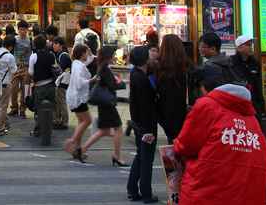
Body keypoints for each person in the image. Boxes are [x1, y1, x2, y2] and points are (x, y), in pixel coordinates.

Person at [173, 70, 266, 205]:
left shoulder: (206, 105)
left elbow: (185, 146)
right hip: (248, 192)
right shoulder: (250, 116)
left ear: (203, 87)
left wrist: (176, 144)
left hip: (209, 192)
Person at [79, 46, 125, 165]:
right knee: (118, 129)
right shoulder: (105, 69)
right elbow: (112, 85)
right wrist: (121, 83)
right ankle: (117, 156)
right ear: (108, 56)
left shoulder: (102, 68)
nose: (115, 57)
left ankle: (82, 150)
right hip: (108, 104)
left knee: (103, 131)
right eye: (113, 55)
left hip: (103, 103)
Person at [126, 46, 158, 202]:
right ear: (144, 59)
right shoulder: (142, 79)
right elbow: (145, 105)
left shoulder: (136, 74)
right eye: (150, 53)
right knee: (147, 159)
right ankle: (146, 192)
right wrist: (147, 130)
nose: (152, 55)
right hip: (146, 124)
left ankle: (132, 189)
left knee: (141, 156)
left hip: (139, 123)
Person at [154, 33, 190, 143]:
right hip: (185, 110)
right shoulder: (187, 66)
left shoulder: (160, 69)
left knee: (173, 141)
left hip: (166, 112)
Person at [65, 43, 92, 160]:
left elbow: (89, 60)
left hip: (74, 97)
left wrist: (89, 52)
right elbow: (79, 82)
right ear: (82, 54)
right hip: (78, 98)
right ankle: (72, 141)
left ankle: (78, 149)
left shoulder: (76, 63)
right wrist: (91, 80)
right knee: (87, 120)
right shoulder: (79, 66)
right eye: (86, 52)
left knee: (81, 122)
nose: (87, 54)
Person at [230, 34, 265, 121]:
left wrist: (261, 103)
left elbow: (258, 84)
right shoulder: (230, 63)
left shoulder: (255, 63)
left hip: (253, 104)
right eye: (248, 45)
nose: (251, 47)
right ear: (239, 48)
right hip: (237, 104)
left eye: (251, 45)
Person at [28, 34, 57, 137]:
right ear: (45, 44)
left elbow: (31, 72)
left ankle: (38, 130)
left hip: (39, 87)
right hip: (51, 86)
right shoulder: (51, 55)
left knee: (38, 109)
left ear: (35, 45)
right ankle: (50, 128)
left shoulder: (33, 56)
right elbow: (54, 69)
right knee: (52, 107)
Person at [0, 36, 17, 136]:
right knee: (3, 106)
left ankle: (5, 123)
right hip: (5, 84)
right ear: (11, 46)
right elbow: (14, 71)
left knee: (0, 105)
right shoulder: (10, 56)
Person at [9, 20, 32, 118]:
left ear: (27, 30)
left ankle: (23, 109)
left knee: (24, 89)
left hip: (26, 67)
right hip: (15, 66)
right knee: (13, 88)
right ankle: (14, 108)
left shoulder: (30, 40)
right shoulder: (14, 39)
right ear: (17, 30)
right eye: (20, 29)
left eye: (24, 29)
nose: (22, 31)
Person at [52, 36, 71, 130]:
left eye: (55, 44)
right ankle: (59, 120)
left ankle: (64, 121)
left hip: (62, 82)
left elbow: (60, 70)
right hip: (62, 81)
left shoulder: (63, 55)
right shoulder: (61, 54)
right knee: (59, 101)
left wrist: (54, 67)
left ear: (61, 45)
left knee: (61, 101)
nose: (53, 46)